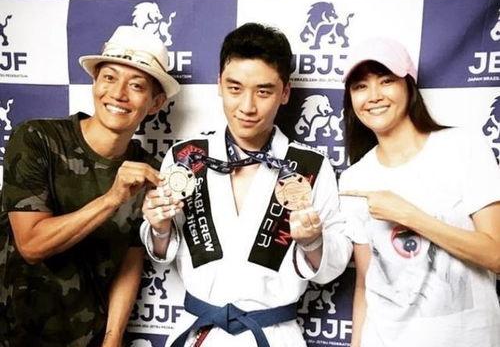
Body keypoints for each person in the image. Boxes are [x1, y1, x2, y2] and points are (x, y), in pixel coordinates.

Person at [140, 22, 353, 347]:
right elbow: (163, 251)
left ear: (285, 93)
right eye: (235, 88)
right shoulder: (186, 157)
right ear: (219, 85)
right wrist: (159, 227)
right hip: (200, 333)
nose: (247, 106)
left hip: (272, 335)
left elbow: (332, 265)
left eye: (263, 91)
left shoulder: (309, 166)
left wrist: (312, 242)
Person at [0, 25, 180, 347]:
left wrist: (112, 339)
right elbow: (31, 245)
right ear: (95, 83)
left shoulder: (148, 169)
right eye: (109, 77)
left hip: (88, 338)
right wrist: (113, 198)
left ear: (155, 103)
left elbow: (130, 260)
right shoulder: (37, 139)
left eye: (136, 85)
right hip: (14, 334)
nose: (119, 93)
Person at [338, 37, 500, 347]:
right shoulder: (354, 179)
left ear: (409, 86)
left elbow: (496, 255)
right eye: (360, 86)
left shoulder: (463, 147)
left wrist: (411, 216)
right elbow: (365, 285)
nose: (373, 96)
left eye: (386, 81)